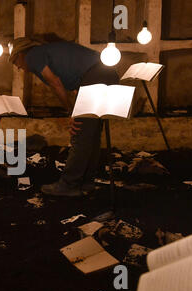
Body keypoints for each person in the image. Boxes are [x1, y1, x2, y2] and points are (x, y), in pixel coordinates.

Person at [8, 37, 119, 197]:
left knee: (79, 134)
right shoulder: (49, 52)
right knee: (91, 135)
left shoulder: (33, 56)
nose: (18, 66)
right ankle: (86, 182)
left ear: (22, 54)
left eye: (15, 61)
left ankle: (69, 184)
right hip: (105, 73)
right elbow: (71, 81)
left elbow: (56, 83)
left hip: (95, 76)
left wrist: (71, 112)